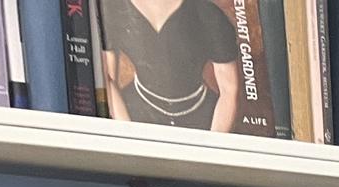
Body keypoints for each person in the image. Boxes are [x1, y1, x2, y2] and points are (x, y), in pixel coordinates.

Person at [98, 0, 240, 131]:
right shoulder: (114, 8)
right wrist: (128, 131)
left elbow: (229, 90)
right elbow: (108, 78)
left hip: (204, 112)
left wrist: (212, 146)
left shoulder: (208, 13)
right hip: (133, 109)